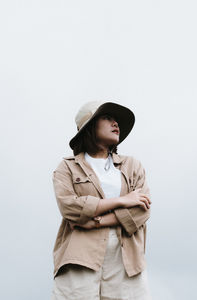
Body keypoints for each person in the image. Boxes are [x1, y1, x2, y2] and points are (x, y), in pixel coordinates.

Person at [51, 100, 152, 300]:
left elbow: (142, 210)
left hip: (127, 261)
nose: (116, 124)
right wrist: (122, 201)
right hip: (80, 257)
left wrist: (96, 221)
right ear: (89, 127)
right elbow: (69, 207)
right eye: (107, 118)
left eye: (116, 120)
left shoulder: (132, 166)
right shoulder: (67, 168)